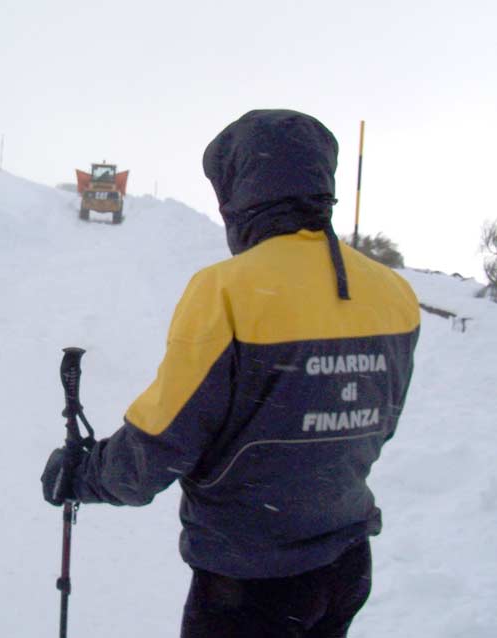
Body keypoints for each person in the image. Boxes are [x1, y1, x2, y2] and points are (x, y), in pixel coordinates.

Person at [41, 109, 420, 637]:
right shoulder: (393, 293)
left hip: (249, 584)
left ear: (239, 192)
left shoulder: (229, 290)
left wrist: (84, 473)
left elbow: (161, 444)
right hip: (346, 565)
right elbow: (377, 424)